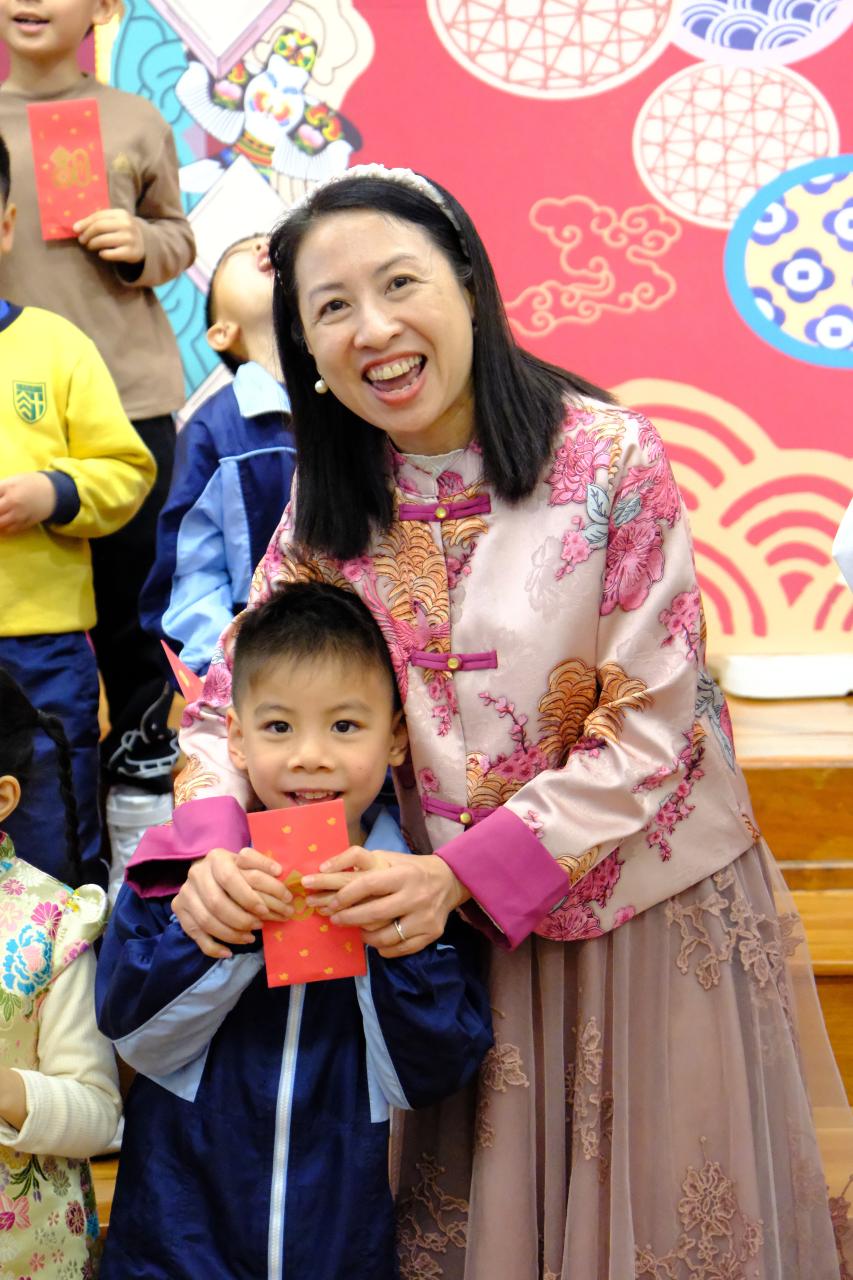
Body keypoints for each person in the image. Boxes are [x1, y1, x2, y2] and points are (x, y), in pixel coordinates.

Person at [144, 165, 852, 1278]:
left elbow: (649, 727)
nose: (373, 329)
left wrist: (462, 874)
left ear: (468, 283)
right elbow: (228, 701)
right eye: (331, 307)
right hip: (445, 945)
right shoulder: (328, 511)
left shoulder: (610, 458)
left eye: (399, 283)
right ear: (303, 349)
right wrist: (212, 845)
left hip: (637, 920)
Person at [95, 581, 492, 1280]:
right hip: (180, 1231)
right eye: (278, 728)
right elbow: (135, 1038)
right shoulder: (176, 874)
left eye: (345, 727)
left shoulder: (423, 888)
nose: (310, 756)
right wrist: (227, 935)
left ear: (397, 736)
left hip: (347, 1234)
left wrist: (388, 940)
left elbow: (428, 1078)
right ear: (237, 738)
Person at [0, 0, 196, 855]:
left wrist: (143, 240)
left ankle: (137, 825)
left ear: (105, 8)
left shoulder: (134, 118)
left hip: (127, 393)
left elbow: (179, 237)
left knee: (132, 621)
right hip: (21, 411)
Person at [0, 132, 155, 887]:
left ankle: (65, 952)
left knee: (52, 828)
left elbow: (127, 471)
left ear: (6, 225)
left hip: (42, 647)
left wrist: (53, 492)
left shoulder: (56, 346)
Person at [0, 669, 122, 1279]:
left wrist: (9, 1092)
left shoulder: (49, 926)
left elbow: (99, 1112)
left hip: (28, 1251)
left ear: (3, 798)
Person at [139, 232, 295, 676]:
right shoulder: (215, 429)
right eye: (248, 250)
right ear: (222, 332)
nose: (266, 248)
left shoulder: (362, 401)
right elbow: (192, 570)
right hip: (263, 659)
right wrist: (221, 671)